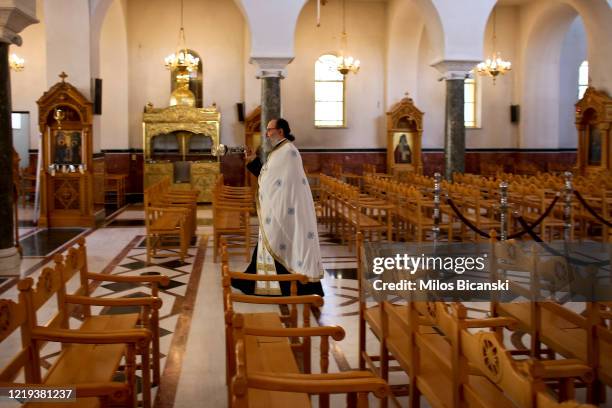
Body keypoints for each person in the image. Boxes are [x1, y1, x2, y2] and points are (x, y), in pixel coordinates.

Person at [232, 118, 324, 296]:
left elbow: (270, 180)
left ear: (280, 131)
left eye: (269, 130)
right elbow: (269, 176)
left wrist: (255, 164)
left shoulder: (287, 151)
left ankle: (280, 285)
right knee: (273, 241)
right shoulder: (281, 150)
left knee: (279, 241)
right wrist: (253, 161)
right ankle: (258, 281)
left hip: (285, 209)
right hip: (281, 207)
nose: (267, 134)